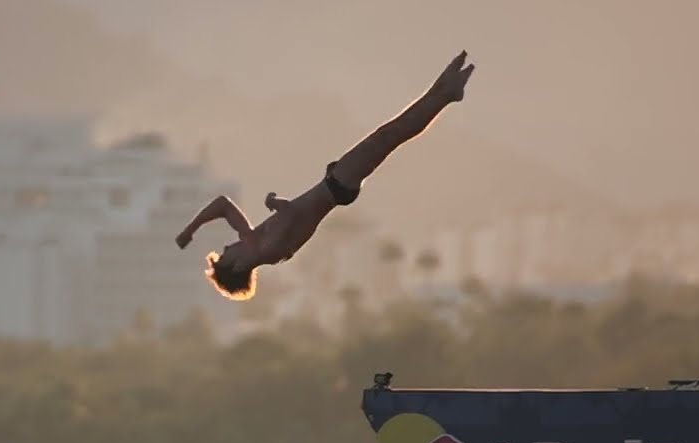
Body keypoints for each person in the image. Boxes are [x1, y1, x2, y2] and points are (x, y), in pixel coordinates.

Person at [175, 50, 476, 301]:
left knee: (390, 133)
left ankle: (445, 88)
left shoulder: (252, 238)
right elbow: (291, 215)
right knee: (391, 135)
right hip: (338, 187)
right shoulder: (269, 249)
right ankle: (447, 95)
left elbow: (223, 205)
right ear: (239, 265)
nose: (228, 246)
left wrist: (191, 229)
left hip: (333, 183)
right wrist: (274, 202)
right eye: (228, 254)